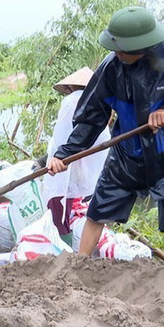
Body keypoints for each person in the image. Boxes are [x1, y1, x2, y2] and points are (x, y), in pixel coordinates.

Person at [46, 7, 164, 279]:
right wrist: (65, 154)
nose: (118, 54)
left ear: (144, 44)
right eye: (115, 48)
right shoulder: (111, 68)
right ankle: (77, 267)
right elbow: (91, 118)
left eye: (124, 49)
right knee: (99, 207)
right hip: (128, 151)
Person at [42, 67, 110, 246]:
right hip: (92, 174)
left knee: (59, 213)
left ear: (70, 87)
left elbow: (61, 140)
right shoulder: (100, 104)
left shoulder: (71, 102)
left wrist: (56, 158)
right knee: (86, 212)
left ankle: (62, 247)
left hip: (67, 166)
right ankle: (72, 247)